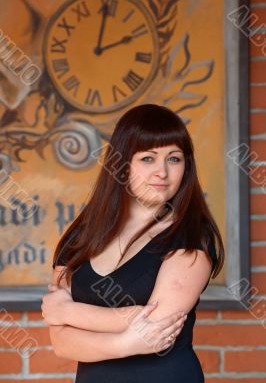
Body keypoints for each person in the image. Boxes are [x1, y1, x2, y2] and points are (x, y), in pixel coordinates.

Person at [42, 103, 224, 383]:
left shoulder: (191, 236)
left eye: (174, 159)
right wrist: (127, 340)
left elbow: (157, 328)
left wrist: (67, 310)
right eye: (148, 159)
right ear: (122, 164)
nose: (162, 172)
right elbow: (61, 341)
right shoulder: (82, 234)